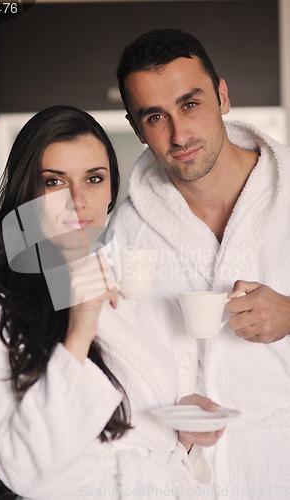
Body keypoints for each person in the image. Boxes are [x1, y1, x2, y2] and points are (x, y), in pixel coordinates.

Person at [0, 105, 223, 499]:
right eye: (53, 182)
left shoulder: (130, 296)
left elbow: (141, 441)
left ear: (111, 192)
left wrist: (182, 428)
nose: (77, 200)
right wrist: (80, 328)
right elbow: (22, 469)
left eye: (94, 179)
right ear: (24, 195)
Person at [110, 29, 290, 498]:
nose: (179, 134)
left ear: (222, 96)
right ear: (137, 128)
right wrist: (165, 410)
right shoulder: (129, 231)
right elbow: (117, 364)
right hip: (191, 481)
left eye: (190, 104)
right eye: (155, 116)